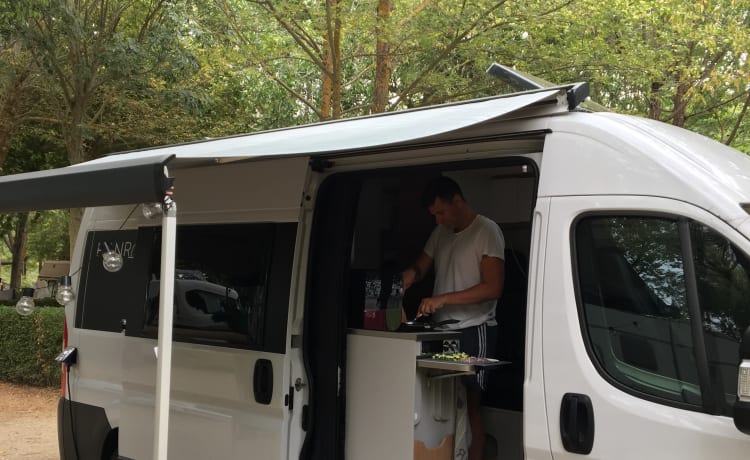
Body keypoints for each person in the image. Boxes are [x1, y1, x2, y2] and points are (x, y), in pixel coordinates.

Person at [403, 176, 505, 460]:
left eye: (441, 212)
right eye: (434, 215)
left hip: (475, 329)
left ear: (457, 201)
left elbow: (493, 287)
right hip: (442, 331)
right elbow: (421, 267)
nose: (438, 220)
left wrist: (443, 298)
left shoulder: (487, 231)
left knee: (471, 405)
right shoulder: (441, 233)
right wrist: (406, 278)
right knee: (443, 402)